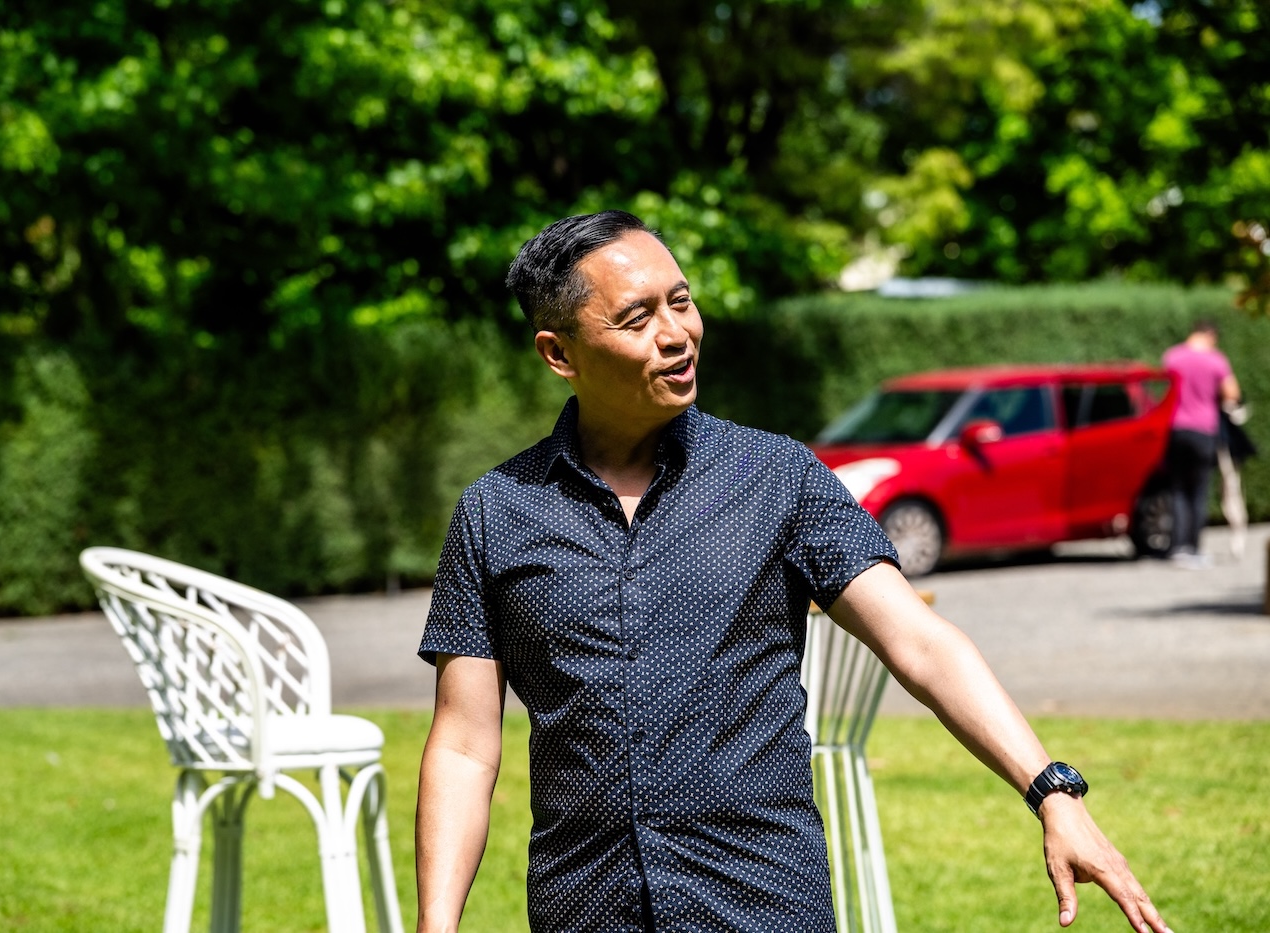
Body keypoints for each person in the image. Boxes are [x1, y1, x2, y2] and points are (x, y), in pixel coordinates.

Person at [415, 210, 1170, 933]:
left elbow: (920, 642)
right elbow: (464, 744)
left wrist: (1051, 791)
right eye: (637, 318)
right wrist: (437, 921)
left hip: (761, 901)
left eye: (681, 301)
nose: (676, 334)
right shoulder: (497, 511)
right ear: (560, 354)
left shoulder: (777, 476)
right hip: (586, 907)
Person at [1161, 319, 1241, 568]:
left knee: (1178, 489)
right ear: (1211, 336)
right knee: (1198, 490)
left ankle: (1177, 547)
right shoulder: (1216, 360)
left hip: (1175, 427)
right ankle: (1193, 548)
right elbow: (1232, 393)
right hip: (1203, 429)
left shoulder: (1172, 357)